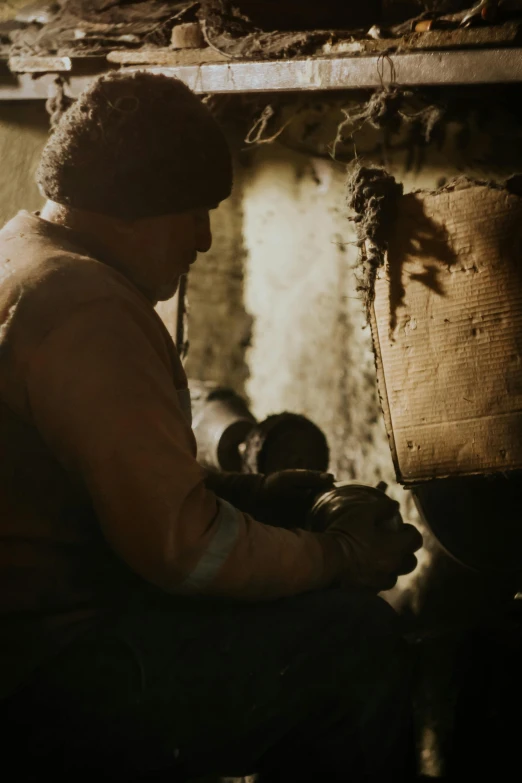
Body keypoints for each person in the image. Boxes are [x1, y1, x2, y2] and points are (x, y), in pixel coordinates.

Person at [0, 71, 422, 781]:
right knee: (358, 639)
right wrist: (339, 557)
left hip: (31, 643)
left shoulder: (23, 258)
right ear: (136, 206)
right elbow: (184, 552)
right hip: (55, 677)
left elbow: (110, 487)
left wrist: (260, 495)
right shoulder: (87, 308)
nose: (201, 239)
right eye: (193, 211)